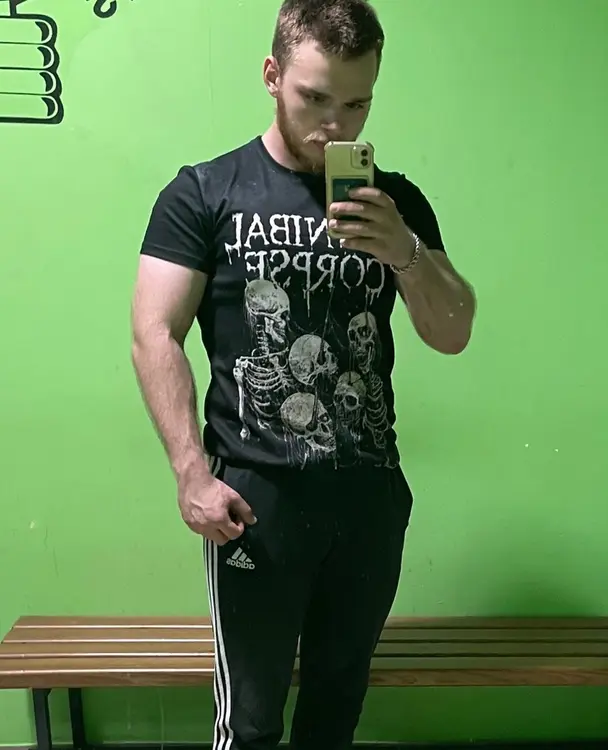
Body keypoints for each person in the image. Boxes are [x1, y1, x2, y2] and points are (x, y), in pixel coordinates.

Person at [130, 0, 476, 747]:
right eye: (314, 98)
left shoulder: (397, 204)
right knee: (250, 722)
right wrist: (191, 473)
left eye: (356, 104)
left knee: (334, 716)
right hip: (256, 500)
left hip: (369, 498)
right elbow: (154, 334)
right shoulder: (205, 192)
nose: (334, 125)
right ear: (272, 75)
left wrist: (405, 252)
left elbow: (453, 331)